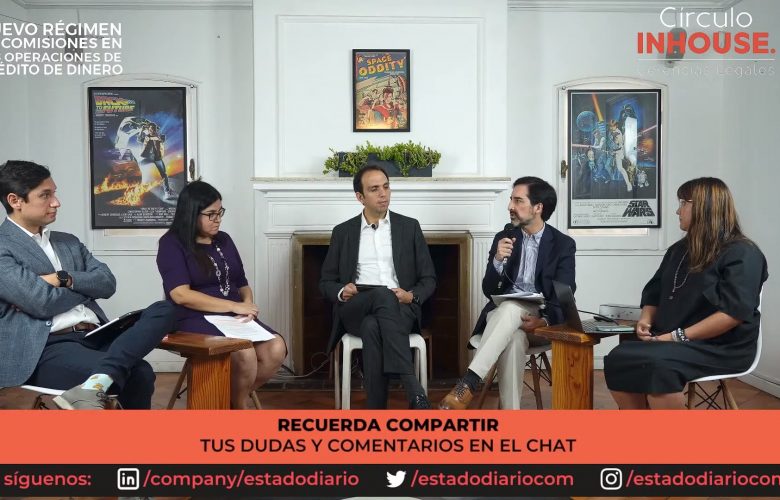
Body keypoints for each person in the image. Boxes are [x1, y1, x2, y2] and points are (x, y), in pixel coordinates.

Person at [0, 160, 174, 410]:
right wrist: (85, 289)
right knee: (140, 372)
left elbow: (107, 283)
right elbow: (41, 302)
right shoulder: (3, 246)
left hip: (96, 334)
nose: (56, 202)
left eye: (54, 193)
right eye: (45, 195)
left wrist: (63, 279)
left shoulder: (68, 242)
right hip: (46, 347)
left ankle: (96, 384)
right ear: (15, 200)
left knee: (165, 309)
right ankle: (104, 384)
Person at [604, 177, 767, 409]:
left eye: (683, 203)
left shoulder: (743, 253)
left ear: (703, 207)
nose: (677, 211)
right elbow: (654, 292)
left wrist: (676, 337)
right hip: (673, 340)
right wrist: (646, 320)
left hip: (722, 346)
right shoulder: (678, 250)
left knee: (659, 366)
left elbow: (732, 314)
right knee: (619, 357)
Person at [439, 176, 576, 410]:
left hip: (540, 319)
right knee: (513, 335)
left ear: (538, 207)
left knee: (512, 316)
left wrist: (543, 320)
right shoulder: (504, 238)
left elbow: (565, 292)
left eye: (518, 200)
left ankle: (469, 382)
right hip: (503, 315)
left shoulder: (562, 244)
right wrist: (497, 260)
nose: (510, 206)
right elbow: (489, 290)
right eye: (511, 200)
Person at [156, 180, 286, 409]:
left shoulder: (224, 239)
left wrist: (248, 306)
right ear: (191, 214)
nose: (218, 219)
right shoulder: (171, 244)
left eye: (220, 212)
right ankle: (238, 408)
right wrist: (235, 306)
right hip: (192, 316)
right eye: (211, 214)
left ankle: (227, 404)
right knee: (244, 352)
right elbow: (181, 295)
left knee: (276, 347)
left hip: (233, 317)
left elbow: (242, 283)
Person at [320, 165, 436, 409]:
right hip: (357, 305)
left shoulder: (409, 227)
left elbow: (429, 278)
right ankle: (412, 387)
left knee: (372, 326)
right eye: (374, 189)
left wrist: (411, 296)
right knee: (381, 295)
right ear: (360, 197)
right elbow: (326, 282)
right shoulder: (343, 232)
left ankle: (376, 411)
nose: (383, 193)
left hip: (400, 307)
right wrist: (342, 291)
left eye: (386, 186)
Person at [140, 122, 176, 200]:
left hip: (157, 158)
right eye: (150, 129)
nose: (151, 131)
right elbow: (139, 139)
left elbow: (160, 139)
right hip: (148, 158)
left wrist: (150, 137)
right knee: (139, 165)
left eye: (153, 129)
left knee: (164, 175)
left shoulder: (160, 136)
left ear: (155, 130)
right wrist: (142, 130)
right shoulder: (146, 137)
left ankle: (167, 192)